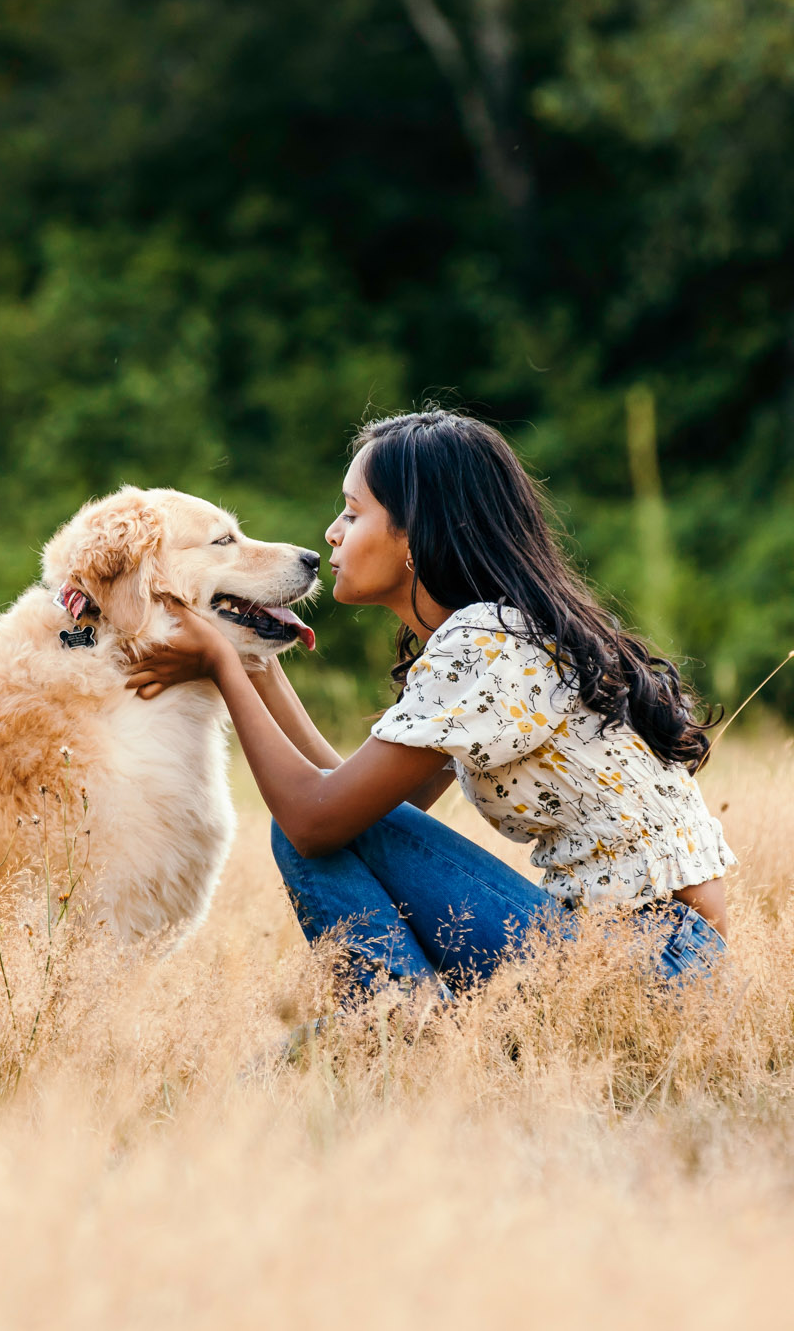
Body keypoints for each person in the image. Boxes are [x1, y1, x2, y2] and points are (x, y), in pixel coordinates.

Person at [122, 410, 733, 1007]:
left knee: (298, 830)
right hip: (654, 960)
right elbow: (368, 812)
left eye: (353, 513)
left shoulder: (487, 647)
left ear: (417, 532)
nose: (332, 533)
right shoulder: (498, 636)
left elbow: (315, 821)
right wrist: (259, 660)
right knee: (333, 833)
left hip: (646, 964)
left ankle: (407, 1035)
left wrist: (224, 668)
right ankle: (413, 1027)